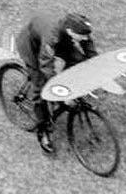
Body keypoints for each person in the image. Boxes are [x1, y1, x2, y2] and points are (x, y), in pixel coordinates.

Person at [15, 11, 97, 154]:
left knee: (77, 60)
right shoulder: (52, 36)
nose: (85, 38)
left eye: (86, 34)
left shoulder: (79, 28)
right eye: (82, 36)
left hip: (60, 40)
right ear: (71, 31)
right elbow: (45, 65)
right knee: (40, 87)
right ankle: (43, 132)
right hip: (31, 46)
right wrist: (62, 92)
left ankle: (64, 99)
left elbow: (89, 49)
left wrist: (97, 67)